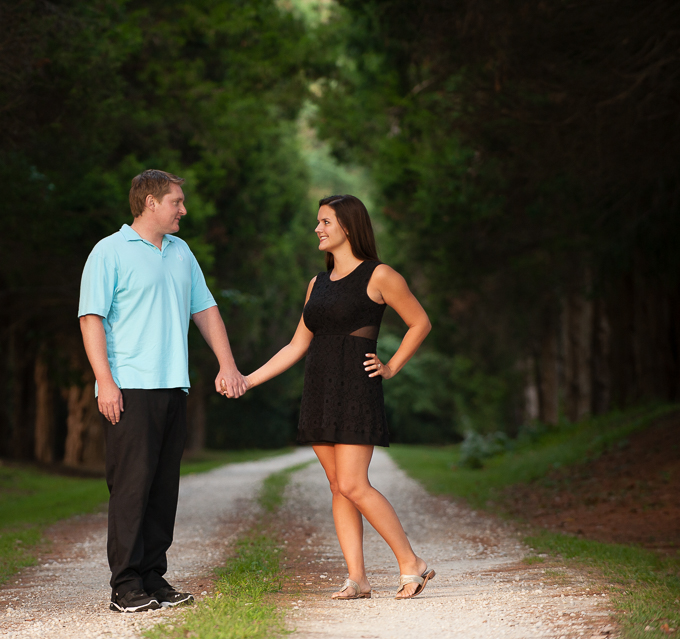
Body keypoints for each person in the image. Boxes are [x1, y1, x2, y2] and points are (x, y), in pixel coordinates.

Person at [242, 194, 435, 600]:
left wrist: (391, 366)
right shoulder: (317, 283)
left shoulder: (380, 275)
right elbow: (296, 346)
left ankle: (410, 562)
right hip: (319, 387)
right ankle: (357, 578)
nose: (318, 228)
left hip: (355, 388)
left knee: (353, 483)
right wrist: (248, 379)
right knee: (337, 485)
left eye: (325, 221)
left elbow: (420, 322)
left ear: (347, 226)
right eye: (318, 222)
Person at [78, 169, 247, 613]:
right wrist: (106, 382)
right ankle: (126, 585)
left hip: (175, 384)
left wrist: (227, 364)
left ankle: (153, 576)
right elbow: (91, 318)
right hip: (130, 386)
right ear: (151, 202)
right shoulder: (109, 251)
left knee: (162, 488)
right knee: (132, 487)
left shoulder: (180, 251)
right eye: (177, 201)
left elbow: (206, 309)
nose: (183, 210)